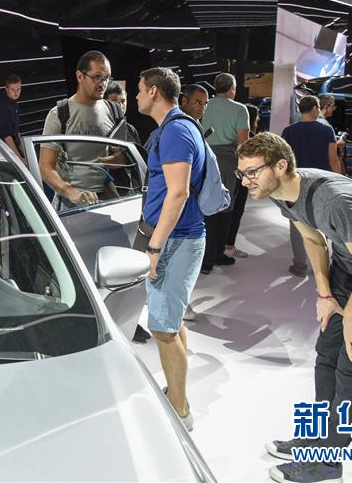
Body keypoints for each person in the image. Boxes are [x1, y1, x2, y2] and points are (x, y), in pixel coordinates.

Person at [236, 133, 352, 483]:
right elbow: (313, 240)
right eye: (242, 173)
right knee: (327, 353)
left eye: (252, 172)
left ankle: (330, 461)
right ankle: (318, 438)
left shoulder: (332, 200)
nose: (245, 181)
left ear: (280, 166)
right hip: (348, 266)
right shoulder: (283, 193)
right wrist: (325, 294)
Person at [133, 67, 205, 431]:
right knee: (171, 323)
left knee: (162, 329)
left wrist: (155, 246)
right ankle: (177, 392)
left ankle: (180, 410)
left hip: (175, 240)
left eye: (139, 89)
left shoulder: (176, 131)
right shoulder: (177, 128)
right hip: (177, 238)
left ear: (154, 91)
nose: (136, 96)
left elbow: (178, 193)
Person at [40, 50, 120, 210]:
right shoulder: (59, 114)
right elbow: (45, 167)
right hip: (72, 203)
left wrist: (116, 160)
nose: (103, 84)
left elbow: (122, 156)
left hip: (107, 197)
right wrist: (71, 192)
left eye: (107, 78)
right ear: (80, 76)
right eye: (97, 77)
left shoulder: (113, 111)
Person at [282, 96, 341, 277]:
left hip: (296, 182)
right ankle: (322, 266)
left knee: (297, 223)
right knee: (323, 222)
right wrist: (340, 180)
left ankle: (299, 264)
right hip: (321, 182)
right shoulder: (326, 130)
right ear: (315, 108)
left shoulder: (288, 131)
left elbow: (284, 160)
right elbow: (333, 159)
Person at [199, 73, 249, 274]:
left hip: (204, 158)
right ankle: (213, 257)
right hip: (228, 160)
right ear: (232, 89)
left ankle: (206, 256)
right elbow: (243, 142)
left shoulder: (205, 104)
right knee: (225, 208)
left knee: (206, 205)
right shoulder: (240, 109)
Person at [224, 103, 259, 259]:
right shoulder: (249, 138)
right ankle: (229, 247)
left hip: (228, 174)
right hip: (241, 177)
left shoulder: (232, 135)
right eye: (257, 118)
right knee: (236, 210)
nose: (258, 121)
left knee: (225, 211)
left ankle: (221, 246)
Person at [0, 74, 24, 160]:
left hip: (12, 150)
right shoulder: (1, 107)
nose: (16, 93)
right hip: (4, 153)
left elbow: (16, 132)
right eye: (13, 90)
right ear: (6, 89)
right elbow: (7, 136)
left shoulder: (15, 104)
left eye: (18, 89)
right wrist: (20, 159)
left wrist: (25, 155)